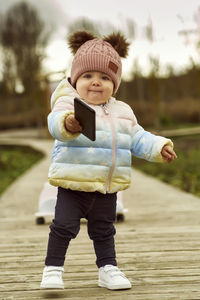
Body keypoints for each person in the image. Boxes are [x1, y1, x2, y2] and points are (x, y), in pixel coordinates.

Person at [40, 31, 177, 290]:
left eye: (105, 77)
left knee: (104, 230)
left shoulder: (123, 111)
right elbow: (55, 124)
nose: (96, 82)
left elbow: (137, 137)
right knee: (63, 227)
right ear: (75, 78)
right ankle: (53, 269)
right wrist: (69, 123)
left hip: (106, 185)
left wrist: (159, 147)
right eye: (88, 76)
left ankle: (108, 268)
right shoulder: (68, 103)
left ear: (115, 83)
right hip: (73, 183)